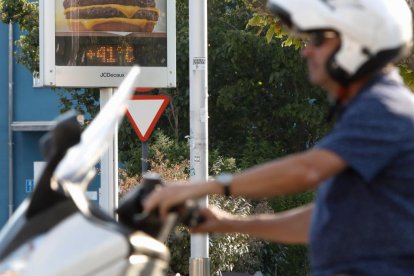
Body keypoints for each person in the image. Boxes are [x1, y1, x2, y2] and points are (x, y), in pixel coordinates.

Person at [144, 0, 414, 274]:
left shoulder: (384, 108)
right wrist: (228, 223)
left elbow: (306, 170)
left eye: (319, 40)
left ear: (360, 44)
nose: (306, 51)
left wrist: (200, 188)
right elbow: (324, 221)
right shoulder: (368, 109)